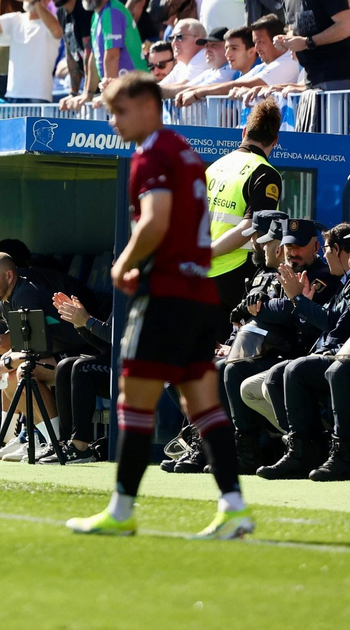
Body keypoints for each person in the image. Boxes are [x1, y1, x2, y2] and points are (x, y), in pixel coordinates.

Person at [66, 73, 252, 541]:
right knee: (203, 403)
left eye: (120, 111)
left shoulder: (152, 154)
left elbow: (156, 219)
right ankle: (233, 507)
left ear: (149, 106)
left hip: (166, 294)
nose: (113, 122)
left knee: (134, 400)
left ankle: (122, 509)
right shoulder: (187, 153)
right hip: (199, 294)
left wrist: (124, 262)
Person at [205, 100, 285, 315]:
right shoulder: (266, 174)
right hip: (235, 272)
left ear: (244, 132)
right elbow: (248, 228)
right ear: (275, 141)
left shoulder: (215, 166)